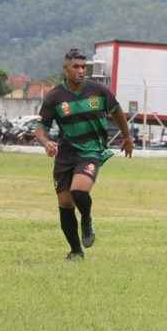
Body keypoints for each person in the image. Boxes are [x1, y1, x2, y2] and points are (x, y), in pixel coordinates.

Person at [35, 49, 134, 261]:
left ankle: (87, 220)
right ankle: (76, 251)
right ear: (66, 69)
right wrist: (46, 143)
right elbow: (40, 127)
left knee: (79, 191)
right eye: (76, 67)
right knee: (65, 204)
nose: (81, 71)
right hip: (66, 154)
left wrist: (127, 138)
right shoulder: (54, 96)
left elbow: (117, 111)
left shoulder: (98, 91)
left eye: (83, 67)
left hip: (91, 150)